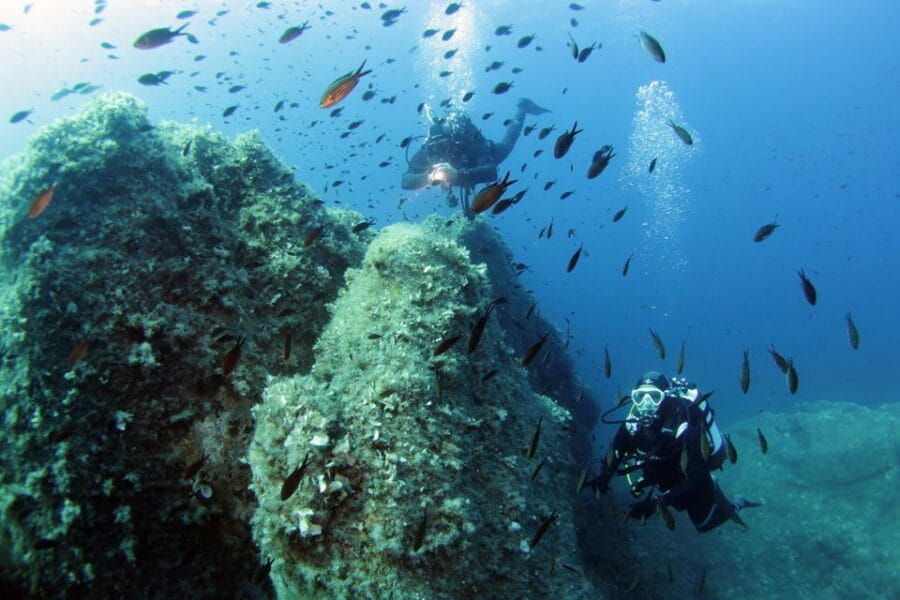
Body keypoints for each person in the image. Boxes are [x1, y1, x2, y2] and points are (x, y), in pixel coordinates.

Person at [589, 371, 761, 533]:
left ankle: (736, 503)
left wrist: (657, 503)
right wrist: (605, 474)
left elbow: (696, 478)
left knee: (704, 525)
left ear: (664, 397)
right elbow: (617, 450)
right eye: (640, 397)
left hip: (690, 473)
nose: (646, 403)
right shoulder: (633, 423)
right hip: (661, 470)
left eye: (654, 397)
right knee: (673, 492)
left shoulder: (683, 423)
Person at [401, 98, 549, 217]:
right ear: (428, 144)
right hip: (461, 173)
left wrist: (458, 174)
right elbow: (406, 182)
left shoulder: (467, 141)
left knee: (507, 145)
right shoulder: (428, 149)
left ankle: (522, 109)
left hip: (479, 158)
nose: (438, 152)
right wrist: (429, 176)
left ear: (450, 142)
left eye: (442, 146)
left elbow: (491, 172)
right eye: (434, 148)